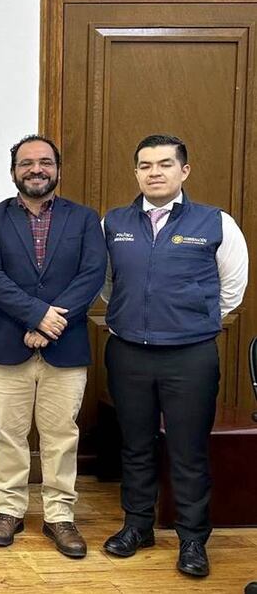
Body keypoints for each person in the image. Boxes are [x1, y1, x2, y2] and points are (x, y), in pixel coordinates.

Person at [101, 134, 248, 578]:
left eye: (165, 164)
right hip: (128, 353)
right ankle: (138, 526)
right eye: (145, 165)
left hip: (190, 357)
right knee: (136, 446)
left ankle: (192, 540)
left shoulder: (216, 223)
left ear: (184, 171)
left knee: (188, 451)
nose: (155, 172)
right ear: (136, 173)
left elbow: (231, 290)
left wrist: (191, 323)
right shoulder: (114, 223)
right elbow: (107, 285)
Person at [0, 134, 106, 558]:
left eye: (44, 162)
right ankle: (9, 510)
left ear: (58, 170)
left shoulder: (84, 219)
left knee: (61, 435)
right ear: (13, 172)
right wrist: (36, 316)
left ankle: (59, 515)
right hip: (8, 346)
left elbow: (91, 275)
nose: (36, 169)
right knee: (8, 435)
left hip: (65, 349)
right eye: (26, 163)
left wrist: (49, 324)